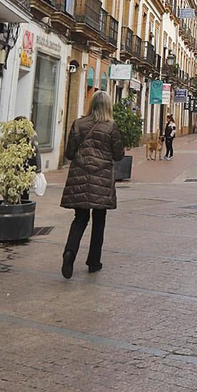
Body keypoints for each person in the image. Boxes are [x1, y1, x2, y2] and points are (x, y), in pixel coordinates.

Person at [61, 91, 124, 279]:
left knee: (79, 219)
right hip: (101, 179)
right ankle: (93, 261)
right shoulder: (111, 127)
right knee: (99, 221)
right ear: (108, 107)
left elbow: (69, 153)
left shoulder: (78, 124)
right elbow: (118, 154)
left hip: (79, 177)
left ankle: (69, 253)